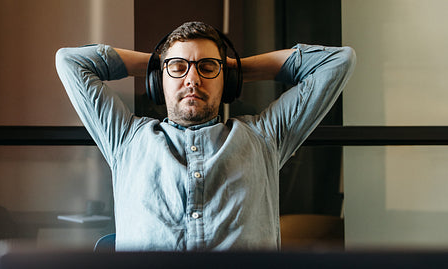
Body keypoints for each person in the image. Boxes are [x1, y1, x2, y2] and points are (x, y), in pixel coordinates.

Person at [55, 21, 355, 251]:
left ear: (227, 79)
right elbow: (70, 61)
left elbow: (337, 62)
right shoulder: (126, 139)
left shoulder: (264, 138)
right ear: (160, 79)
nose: (192, 79)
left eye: (208, 67)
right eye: (178, 67)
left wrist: (236, 69)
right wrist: (154, 65)